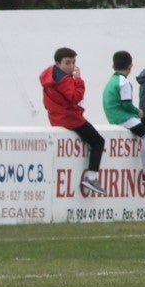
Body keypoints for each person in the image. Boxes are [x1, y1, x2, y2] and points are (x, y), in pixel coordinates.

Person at [40, 46, 105, 195]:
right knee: (98, 141)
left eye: (73, 62)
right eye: (67, 63)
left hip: (55, 117)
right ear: (58, 63)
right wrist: (79, 80)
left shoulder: (49, 76)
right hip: (70, 118)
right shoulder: (64, 80)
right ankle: (91, 177)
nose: (71, 67)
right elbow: (76, 97)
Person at [103, 50, 145, 183]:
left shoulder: (112, 80)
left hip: (112, 116)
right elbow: (127, 104)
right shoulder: (124, 82)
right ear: (130, 66)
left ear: (113, 66)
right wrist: (138, 112)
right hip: (122, 117)